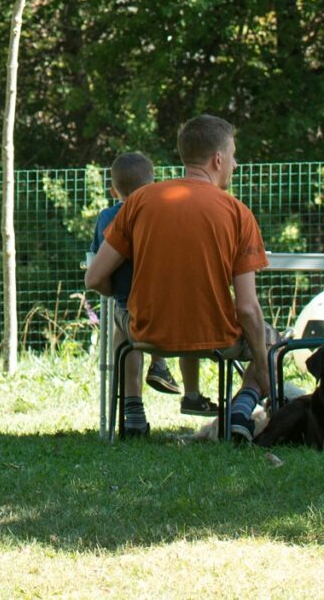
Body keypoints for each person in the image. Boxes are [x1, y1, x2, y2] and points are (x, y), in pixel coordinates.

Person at [84, 113, 276, 443]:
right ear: (218, 159)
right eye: (233, 155)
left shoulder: (139, 202)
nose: (235, 164)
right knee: (271, 343)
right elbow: (247, 309)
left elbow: (94, 278)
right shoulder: (238, 214)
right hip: (217, 337)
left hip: (147, 334)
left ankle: (132, 409)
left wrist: (126, 303)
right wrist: (261, 364)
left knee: (120, 318)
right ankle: (242, 409)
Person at [89, 152, 186, 402]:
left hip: (131, 309)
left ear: (113, 191)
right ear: (153, 186)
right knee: (149, 304)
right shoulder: (166, 215)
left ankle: (132, 404)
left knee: (122, 320)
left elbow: (96, 268)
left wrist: (112, 291)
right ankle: (161, 365)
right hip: (175, 313)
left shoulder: (107, 217)